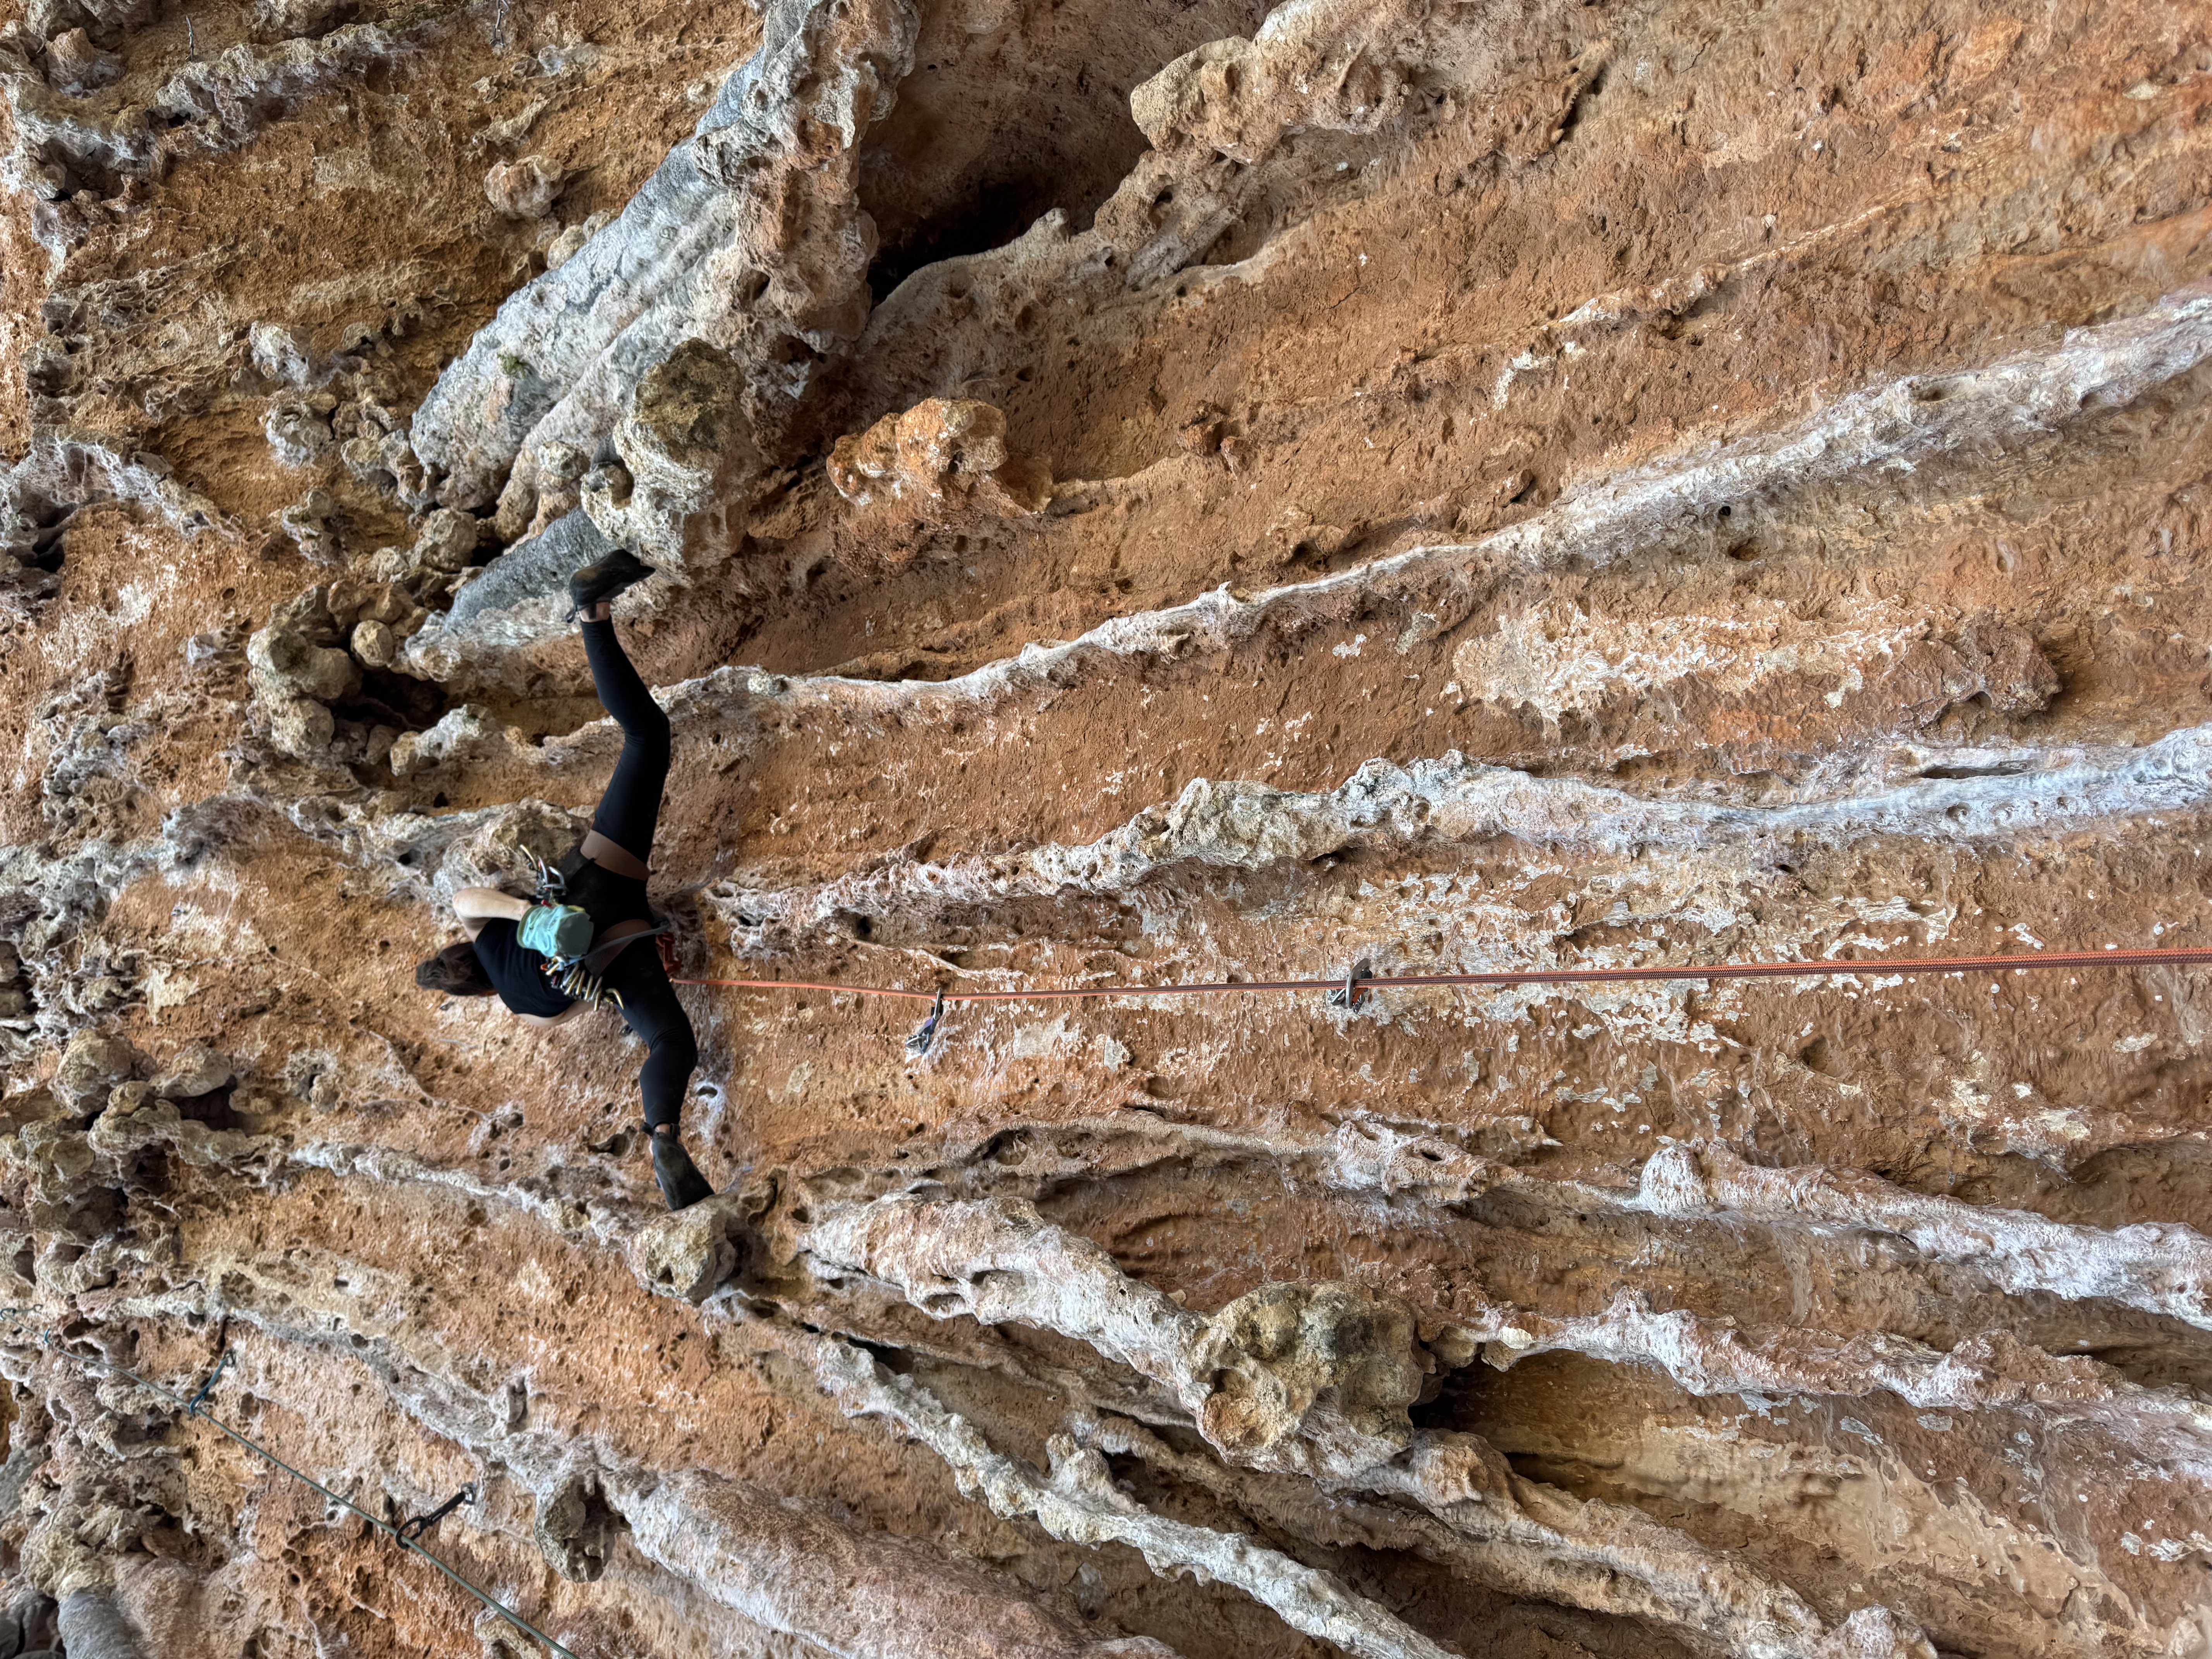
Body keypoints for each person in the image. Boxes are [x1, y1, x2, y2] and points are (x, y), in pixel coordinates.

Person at [412, 547, 712, 1211]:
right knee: (645, 738)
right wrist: (528, 917)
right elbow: (466, 897)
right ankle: (591, 610)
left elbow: (587, 997)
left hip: (620, 941)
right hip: (592, 877)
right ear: (462, 955)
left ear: (481, 996)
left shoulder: (525, 1012)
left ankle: (663, 1130)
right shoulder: (484, 933)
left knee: (668, 1040)